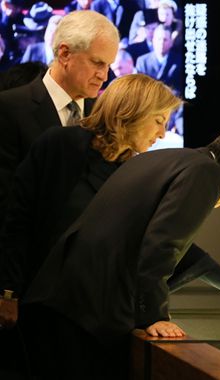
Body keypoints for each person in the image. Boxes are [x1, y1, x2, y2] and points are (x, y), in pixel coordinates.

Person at [22, 127, 220, 378]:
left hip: (63, 294)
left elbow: (167, 240)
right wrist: (153, 316)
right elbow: (162, 244)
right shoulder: (207, 174)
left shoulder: (172, 158)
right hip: (89, 310)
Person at [0, 73, 182, 378]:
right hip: (46, 309)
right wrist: (8, 293)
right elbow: (18, 221)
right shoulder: (60, 144)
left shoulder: (135, 168)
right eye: (158, 121)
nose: (162, 134)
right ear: (132, 112)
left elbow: (155, 238)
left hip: (100, 319)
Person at [0, 10, 119, 227]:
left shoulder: (103, 115)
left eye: (109, 65)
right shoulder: (9, 108)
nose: (104, 75)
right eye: (97, 63)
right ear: (64, 54)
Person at [135, 23, 182, 92]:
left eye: (165, 39)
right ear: (153, 41)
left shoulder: (179, 60)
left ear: (171, 43)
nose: (161, 42)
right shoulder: (142, 61)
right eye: (159, 39)